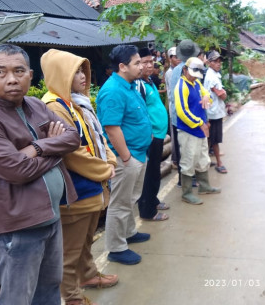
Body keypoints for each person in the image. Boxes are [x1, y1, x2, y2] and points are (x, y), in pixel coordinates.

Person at [0, 44, 80, 305]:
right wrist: (55, 150)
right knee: (18, 298)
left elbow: (72, 137)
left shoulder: (35, 105)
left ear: (30, 75)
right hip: (18, 226)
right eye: (1, 72)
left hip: (51, 217)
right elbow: (17, 169)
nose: (11, 79)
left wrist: (38, 147)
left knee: (49, 290)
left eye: (19, 71)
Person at [40, 49, 119, 305]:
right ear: (60, 74)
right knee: (70, 251)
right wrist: (103, 170)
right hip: (75, 191)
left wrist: (110, 160)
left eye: (83, 70)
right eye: (76, 72)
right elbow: (70, 153)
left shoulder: (77, 102)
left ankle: (88, 275)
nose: (84, 76)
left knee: (86, 240)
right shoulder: (54, 107)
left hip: (93, 185)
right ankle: (72, 297)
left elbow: (97, 137)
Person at [96, 45, 153, 265]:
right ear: (122, 66)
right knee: (120, 202)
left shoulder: (129, 86)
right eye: (137, 63)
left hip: (137, 153)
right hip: (126, 157)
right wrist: (127, 158)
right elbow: (112, 127)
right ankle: (116, 248)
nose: (142, 66)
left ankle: (129, 232)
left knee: (131, 198)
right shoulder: (113, 91)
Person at [174, 57, 221, 204]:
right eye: (193, 72)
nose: (194, 76)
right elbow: (182, 112)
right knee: (188, 161)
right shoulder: (181, 86)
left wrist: (207, 97)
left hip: (200, 130)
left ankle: (204, 186)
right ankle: (186, 193)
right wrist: (200, 123)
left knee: (202, 158)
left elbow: (207, 95)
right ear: (185, 70)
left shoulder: (195, 83)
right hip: (188, 130)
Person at [136, 48, 170, 222]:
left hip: (157, 135)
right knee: (149, 174)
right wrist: (148, 133)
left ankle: (153, 199)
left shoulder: (149, 81)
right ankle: (147, 210)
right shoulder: (138, 85)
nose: (150, 65)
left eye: (151, 61)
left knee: (155, 170)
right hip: (151, 137)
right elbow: (140, 112)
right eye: (145, 62)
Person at [169, 40, 201, 186]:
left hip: (178, 116)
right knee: (187, 149)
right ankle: (186, 180)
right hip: (185, 117)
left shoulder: (177, 70)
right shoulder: (186, 70)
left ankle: (185, 179)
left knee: (185, 149)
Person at [203, 50, 228, 174]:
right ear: (209, 63)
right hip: (213, 113)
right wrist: (223, 93)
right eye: (215, 61)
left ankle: (206, 161)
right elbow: (221, 94)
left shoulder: (213, 74)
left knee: (210, 139)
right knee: (215, 140)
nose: (218, 64)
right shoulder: (212, 76)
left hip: (213, 111)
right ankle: (219, 163)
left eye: (219, 61)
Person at [164, 46, 181, 169]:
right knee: (175, 135)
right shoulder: (170, 73)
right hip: (174, 108)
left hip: (179, 107)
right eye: (176, 57)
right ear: (170, 59)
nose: (178, 59)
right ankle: (175, 159)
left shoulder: (178, 70)